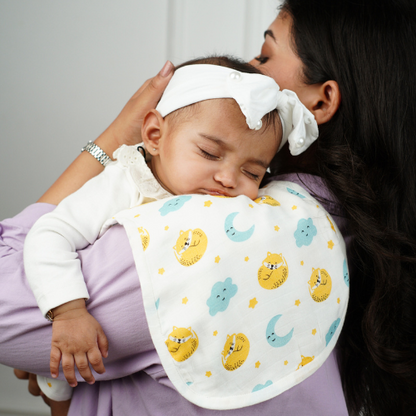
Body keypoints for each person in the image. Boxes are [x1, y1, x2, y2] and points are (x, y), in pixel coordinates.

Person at [1, 0, 415, 415]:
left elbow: (11, 313)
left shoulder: (212, 225)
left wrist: (113, 135)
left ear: (321, 102)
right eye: (209, 152)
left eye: (266, 56)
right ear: (155, 133)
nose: (248, 67)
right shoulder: (339, 220)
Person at [23, 55, 325, 414]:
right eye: (210, 153)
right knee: (63, 385)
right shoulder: (125, 183)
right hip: (90, 332)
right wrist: (69, 312)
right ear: (154, 135)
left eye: (252, 171)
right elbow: (49, 234)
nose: (229, 179)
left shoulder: (243, 209)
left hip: (169, 350)